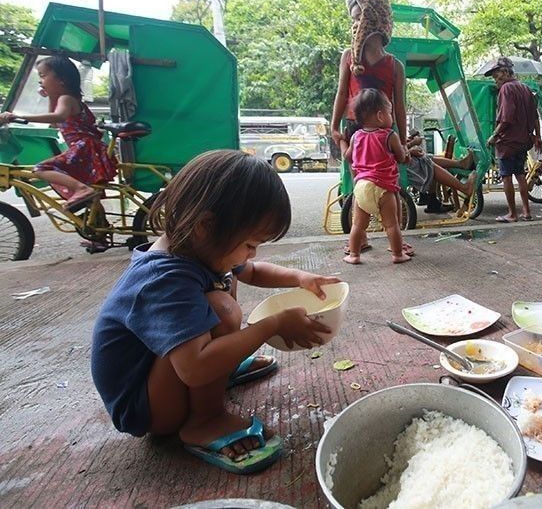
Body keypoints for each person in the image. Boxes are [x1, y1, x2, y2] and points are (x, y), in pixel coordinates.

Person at [91, 150, 339, 474]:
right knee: (222, 308)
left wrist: (300, 278)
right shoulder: (165, 280)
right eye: (251, 243)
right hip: (146, 406)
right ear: (207, 225)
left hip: (170, 371)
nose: (253, 252)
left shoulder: (200, 245)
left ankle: (221, 369)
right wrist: (273, 325)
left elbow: (249, 270)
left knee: (225, 284)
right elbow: (194, 368)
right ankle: (204, 420)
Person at [331, 0, 477, 253]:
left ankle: (394, 238)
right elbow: (342, 93)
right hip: (353, 129)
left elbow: (398, 104)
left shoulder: (394, 65)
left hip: (386, 131)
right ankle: (359, 238)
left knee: (390, 183)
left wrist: (402, 135)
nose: (354, 26)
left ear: (375, 23)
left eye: (358, 19)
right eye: (352, 20)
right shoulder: (348, 57)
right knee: (357, 182)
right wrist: (334, 127)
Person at [0, 56, 117, 212]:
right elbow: (54, 122)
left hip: (84, 147)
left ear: (61, 80)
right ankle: (96, 218)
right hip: (88, 147)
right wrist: (51, 96)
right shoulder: (69, 99)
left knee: (41, 169)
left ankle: (81, 189)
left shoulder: (66, 99)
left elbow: (58, 116)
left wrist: (18, 116)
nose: (40, 81)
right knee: (90, 187)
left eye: (43, 75)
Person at [343, 88, 412, 265]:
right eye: (390, 113)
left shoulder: (356, 136)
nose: (391, 117)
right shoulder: (390, 135)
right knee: (391, 225)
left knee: (358, 225)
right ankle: (397, 254)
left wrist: (343, 142)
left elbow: (348, 156)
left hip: (361, 187)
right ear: (381, 116)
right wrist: (405, 152)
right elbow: (401, 158)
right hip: (383, 188)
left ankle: (354, 255)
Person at [485, 56, 542, 223]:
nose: (495, 79)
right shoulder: (525, 89)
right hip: (523, 140)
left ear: (505, 72)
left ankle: (512, 214)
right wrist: (537, 136)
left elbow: (506, 118)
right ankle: (526, 211)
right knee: (520, 175)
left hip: (507, 141)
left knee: (506, 176)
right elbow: (535, 115)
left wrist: (494, 135)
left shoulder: (506, 89)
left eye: (496, 75)